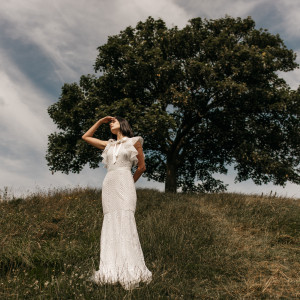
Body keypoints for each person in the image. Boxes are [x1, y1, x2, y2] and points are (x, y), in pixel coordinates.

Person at [82, 115, 152, 290]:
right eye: (109, 123)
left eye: (113, 121)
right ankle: (111, 270)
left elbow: (141, 167)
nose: (110, 124)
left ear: (123, 124)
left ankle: (131, 268)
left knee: (125, 220)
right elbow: (86, 137)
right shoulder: (109, 145)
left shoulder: (134, 141)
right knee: (110, 221)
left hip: (124, 182)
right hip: (109, 185)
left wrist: (129, 182)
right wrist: (99, 121)